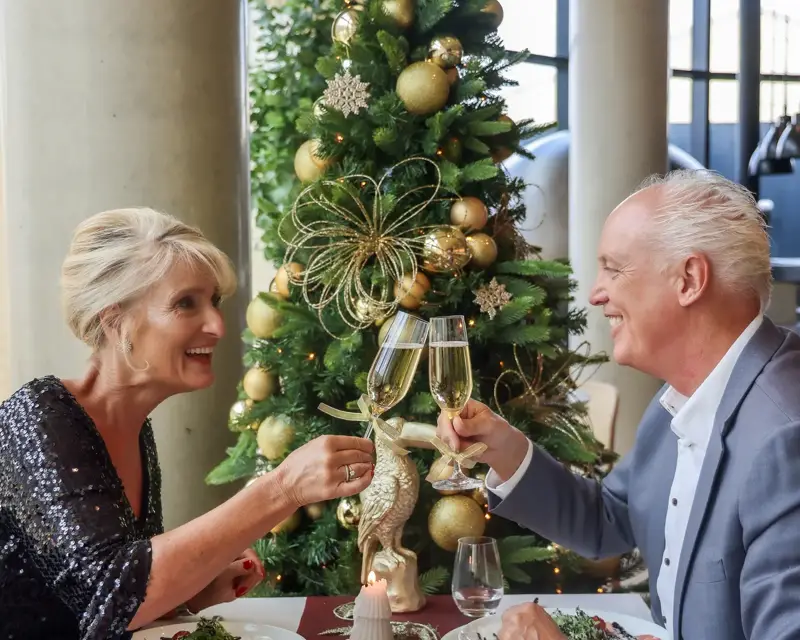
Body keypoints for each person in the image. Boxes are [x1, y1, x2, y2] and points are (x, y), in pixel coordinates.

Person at [438, 170, 800, 640]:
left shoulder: (784, 437)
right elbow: (608, 519)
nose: (596, 293)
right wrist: (504, 449)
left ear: (689, 279)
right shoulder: (683, 399)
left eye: (614, 268)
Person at [0, 208, 375, 640]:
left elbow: (106, 600)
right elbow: (110, 592)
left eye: (214, 301)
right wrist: (283, 487)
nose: (217, 325)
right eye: (185, 303)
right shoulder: (40, 418)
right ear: (114, 319)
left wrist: (190, 590)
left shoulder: (133, 426)